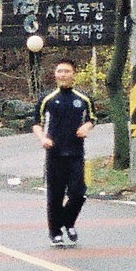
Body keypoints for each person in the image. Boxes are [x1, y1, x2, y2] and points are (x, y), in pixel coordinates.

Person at [33, 57, 96, 247]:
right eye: (59, 71)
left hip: (76, 153)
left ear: (73, 74)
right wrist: (43, 138)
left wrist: (86, 127)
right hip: (54, 153)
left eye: (67, 71)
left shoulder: (83, 98)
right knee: (55, 195)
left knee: (78, 193)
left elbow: (92, 119)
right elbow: (36, 124)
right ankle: (55, 232)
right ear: (55, 74)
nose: (63, 74)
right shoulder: (47, 99)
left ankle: (68, 221)